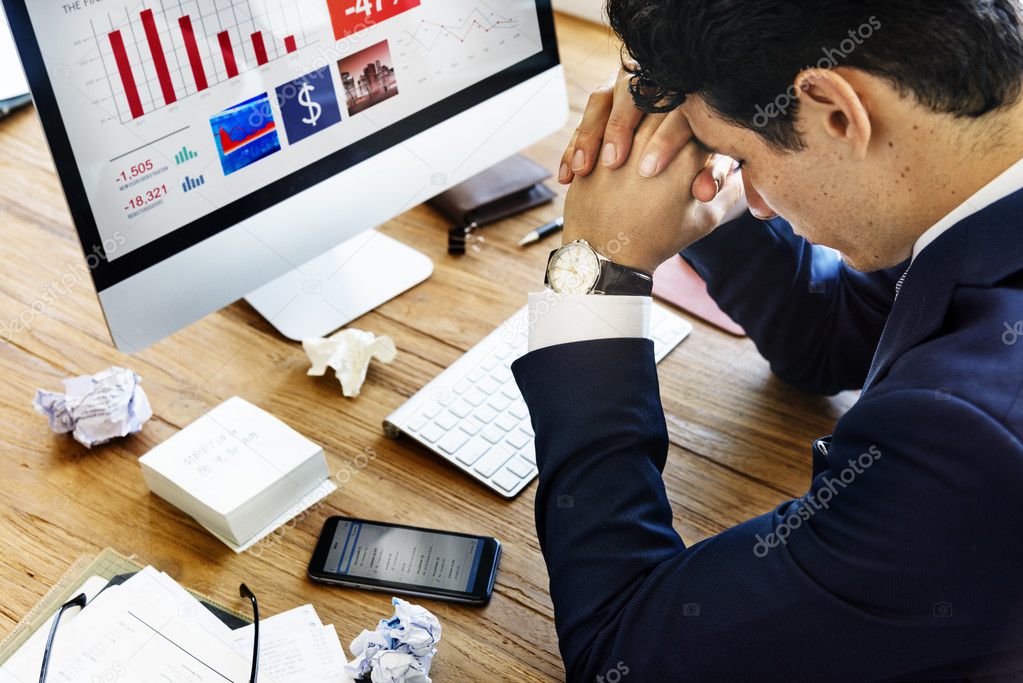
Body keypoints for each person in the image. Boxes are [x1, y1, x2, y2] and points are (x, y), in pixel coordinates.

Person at [510, 0, 1023, 680]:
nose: (753, 196)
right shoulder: (969, 178)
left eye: (740, 158)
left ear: (836, 112)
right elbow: (834, 340)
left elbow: (625, 651)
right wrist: (701, 174)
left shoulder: (959, 434)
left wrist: (592, 275)